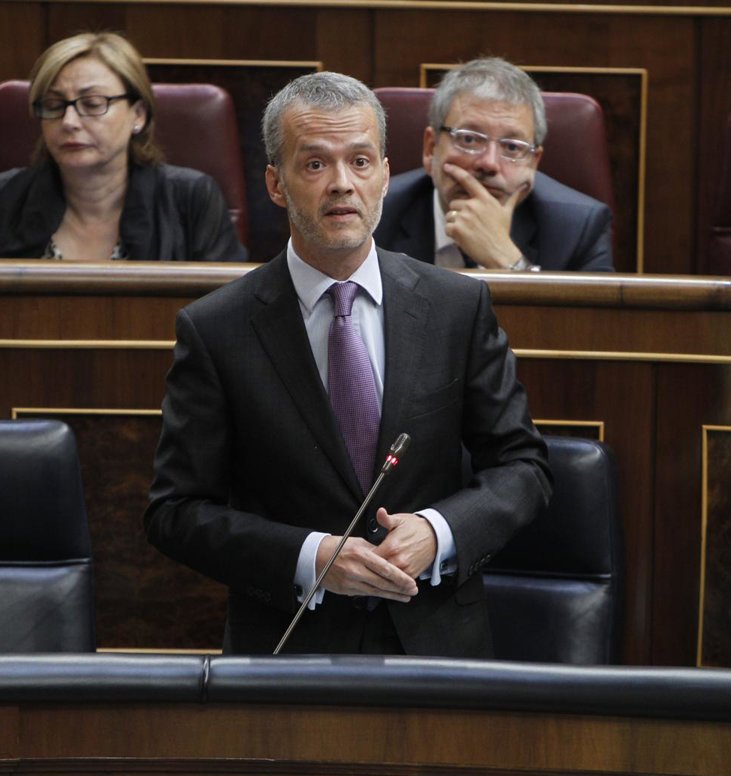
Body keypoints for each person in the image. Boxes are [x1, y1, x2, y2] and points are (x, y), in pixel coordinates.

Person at [144, 71, 551, 656]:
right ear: (276, 184)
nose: (342, 184)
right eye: (315, 164)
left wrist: (439, 532)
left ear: (384, 174)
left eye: (360, 162)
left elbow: (523, 466)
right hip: (290, 649)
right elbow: (176, 511)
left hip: (435, 642)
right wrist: (311, 557)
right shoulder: (216, 328)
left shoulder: (456, 306)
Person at [0, 32, 246, 262]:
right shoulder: (2, 197)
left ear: (138, 115)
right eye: (53, 105)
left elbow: (227, 311)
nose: (69, 121)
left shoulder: (192, 199)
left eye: (92, 104)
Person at [374, 57, 613, 272]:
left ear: (533, 163)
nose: (489, 163)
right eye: (469, 139)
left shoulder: (579, 229)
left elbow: (590, 311)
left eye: (512, 147)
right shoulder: (375, 213)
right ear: (431, 148)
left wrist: (509, 262)